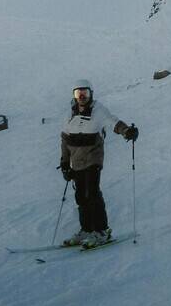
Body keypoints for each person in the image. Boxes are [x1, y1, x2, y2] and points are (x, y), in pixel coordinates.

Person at [59, 80, 138, 247]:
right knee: (81, 196)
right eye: (78, 93)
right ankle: (86, 230)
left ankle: (101, 231)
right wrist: (65, 163)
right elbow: (65, 140)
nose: (81, 97)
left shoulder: (98, 110)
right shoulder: (69, 115)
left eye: (85, 93)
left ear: (91, 94)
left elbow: (113, 122)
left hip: (93, 159)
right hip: (77, 162)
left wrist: (127, 131)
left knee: (92, 194)